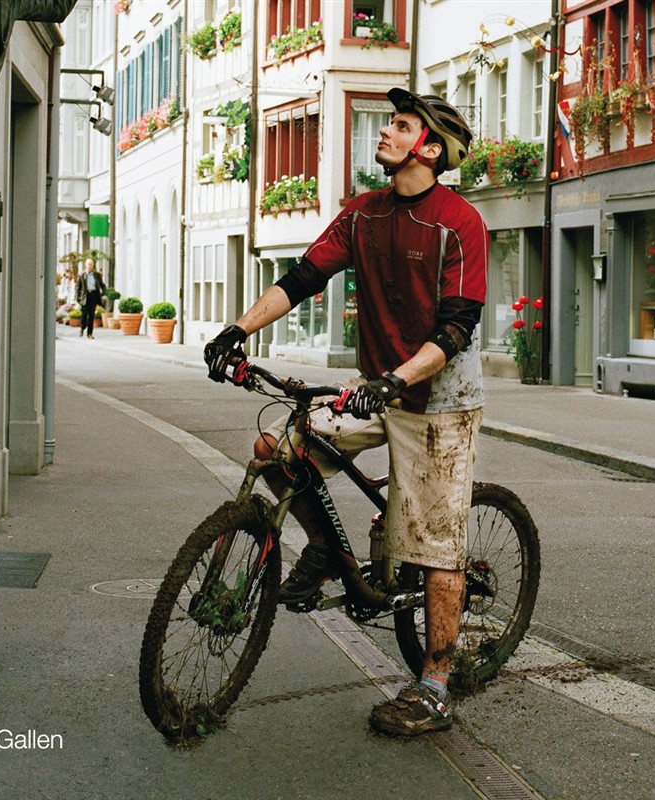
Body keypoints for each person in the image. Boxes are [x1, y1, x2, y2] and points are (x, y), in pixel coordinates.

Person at [203, 88, 486, 738]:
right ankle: (329, 554)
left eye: (401, 125)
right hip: (375, 387)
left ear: (431, 148)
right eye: (389, 123)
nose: (385, 132)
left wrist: (395, 380)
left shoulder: (458, 222)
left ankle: (436, 688)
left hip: (438, 401)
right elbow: (300, 279)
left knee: (438, 544)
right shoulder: (362, 214)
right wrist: (235, 331)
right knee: (278, 450)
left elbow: (454, 331)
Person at [76, 258, 106, 339]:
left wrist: (102, 293)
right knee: (84, 314)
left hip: (93, 296)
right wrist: (77, 298)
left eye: (91, 264)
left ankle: (90, 334)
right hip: (85, 296)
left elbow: (102, 285)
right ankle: (82, 328)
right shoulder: (81, 274)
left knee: (91, 316)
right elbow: (78, 287)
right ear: (85, 265)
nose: (89, 266)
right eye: (88, 264)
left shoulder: (97, 275)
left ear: (93, 265)